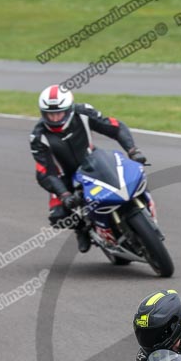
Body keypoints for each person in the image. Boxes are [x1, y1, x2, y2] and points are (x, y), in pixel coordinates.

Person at [30, 85, 147, 253]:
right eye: (50, 114)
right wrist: (64, 195)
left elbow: (115, 127)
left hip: (94, 161)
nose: (55, 118)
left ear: (69, 109)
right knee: (58, 216)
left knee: (134, 174)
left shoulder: (83, 112)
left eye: (59, 113)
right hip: (65, 175)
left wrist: (133, 150)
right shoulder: (38, 136)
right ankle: (82, 229)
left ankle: (144, 203)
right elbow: (45, 172)